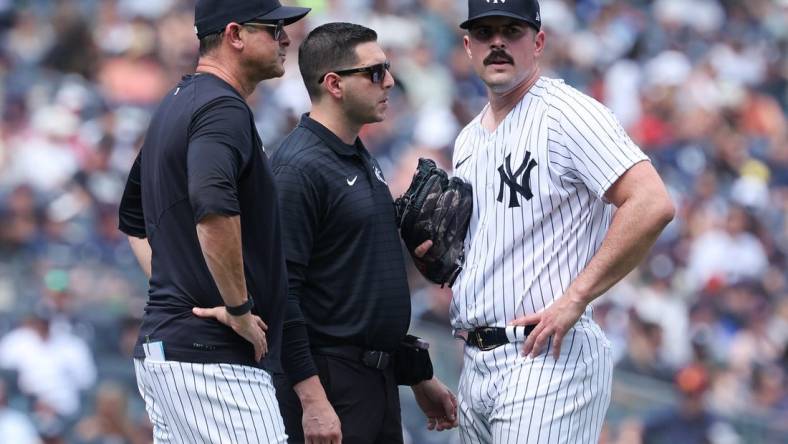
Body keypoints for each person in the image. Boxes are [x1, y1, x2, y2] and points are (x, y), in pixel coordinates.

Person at [449, 1, 675, 443]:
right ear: (467, 46)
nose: (497, 42)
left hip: (549, 357)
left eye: (511, 31)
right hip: (475, 362)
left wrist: (575, 299)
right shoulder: (467, 140)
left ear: (538, 42)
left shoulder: (566, 113)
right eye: (484, 32)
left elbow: (651, 202)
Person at [117, 0, 310, 442]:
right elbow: (212, 206)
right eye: (273, 28)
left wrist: (181, 293)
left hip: (179, 353)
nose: (285, 39)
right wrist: (238, 309)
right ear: (234, 35)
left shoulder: (177, 102)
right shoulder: (221, 108)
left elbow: (133, 221)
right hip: (211, 361)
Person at [270, 22, 457, 444]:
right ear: (334, 84)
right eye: (375, 72)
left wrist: (416, 375)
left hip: (375, 382)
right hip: (330, 385)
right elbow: (280, 295)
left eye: (387, 69)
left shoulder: (358, 156)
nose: (389, 81)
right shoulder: (297, 168)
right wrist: (312, 398)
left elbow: (361, 289)